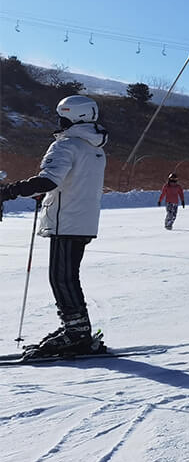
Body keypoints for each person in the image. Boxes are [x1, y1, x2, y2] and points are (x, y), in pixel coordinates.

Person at [0, 96, 108, 358]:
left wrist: (9, 191)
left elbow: (48, 180)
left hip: (67, 220)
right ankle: (76, 329)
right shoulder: (94, 147)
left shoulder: (66, 146)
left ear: (74, 118)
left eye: (63, 117)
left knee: (61, 277)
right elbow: (69, 182)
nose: (59, 121)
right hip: (82, 219)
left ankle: (77, 333)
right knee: (66, 276)